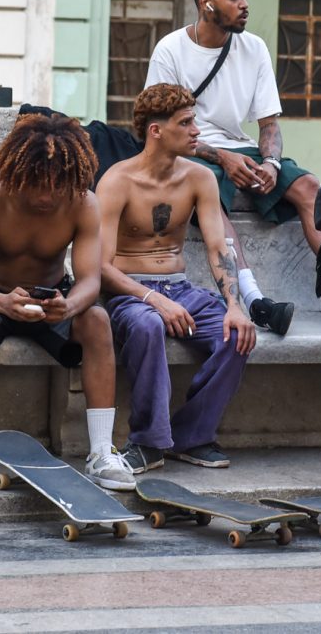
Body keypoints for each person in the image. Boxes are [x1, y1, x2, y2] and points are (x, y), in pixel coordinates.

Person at [0, 113, 135, 490]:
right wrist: (0, 302)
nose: (46, 196)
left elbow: (90, 280)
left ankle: (101, 453)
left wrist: (70, 305)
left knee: (97, 320)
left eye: (57, 184)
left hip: (52, 303)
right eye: (36, 184)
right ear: (18, 174)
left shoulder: (84, 204)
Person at [145, 0, 320, 336]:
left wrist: (272, 164)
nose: (245, 4)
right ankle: (254, 299)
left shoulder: (253, 48)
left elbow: (269, 125)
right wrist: (222, 158)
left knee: (310, 187)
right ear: (207, 3)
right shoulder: (170, 50)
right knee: (209, 190)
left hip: (239, 148)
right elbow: (159, 130)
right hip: (187, 151)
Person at [98, 83, 256, 473]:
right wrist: (153, 300)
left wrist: (235, 306)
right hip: (129, 292)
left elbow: (219, 248)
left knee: (238, 334)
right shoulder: (117, 181)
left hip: (181, 288)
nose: (196, 131)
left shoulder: (200, 178)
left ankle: (190, 436)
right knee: (148, 325)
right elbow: (99, 267)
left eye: (194, 121)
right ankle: (147, 443)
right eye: (185, 123)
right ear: (156, 131)